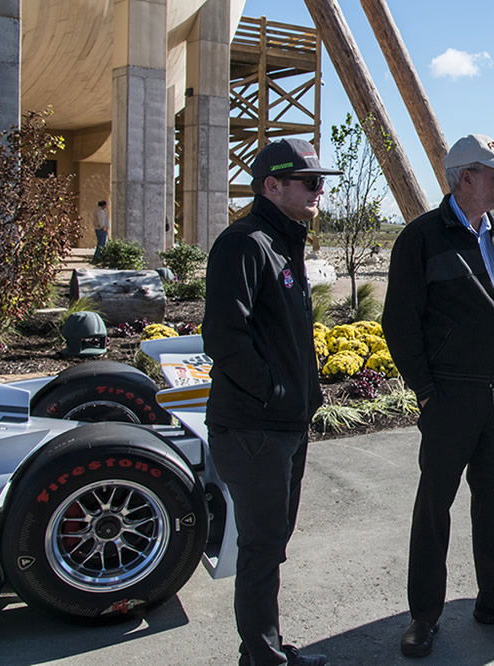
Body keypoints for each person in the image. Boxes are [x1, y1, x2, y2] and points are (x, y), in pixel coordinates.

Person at [382, 133, 494, 658]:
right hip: (449, 396)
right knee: (435, 509)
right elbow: (399, 324)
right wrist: (427, 392)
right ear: (465, 177)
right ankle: (424, 617)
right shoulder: (423, 237)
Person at [202, 138, 341, 666]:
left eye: (320, 182)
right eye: (309, 182)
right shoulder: (246, 243)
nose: (318, 190)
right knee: (261, 548)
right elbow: (224, 337)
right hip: (254, 426)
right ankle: (261, 658)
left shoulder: (284, 241)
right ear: (272, 186)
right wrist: (277, 391)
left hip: (283, 424)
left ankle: (264, 649)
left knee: (272, 543)